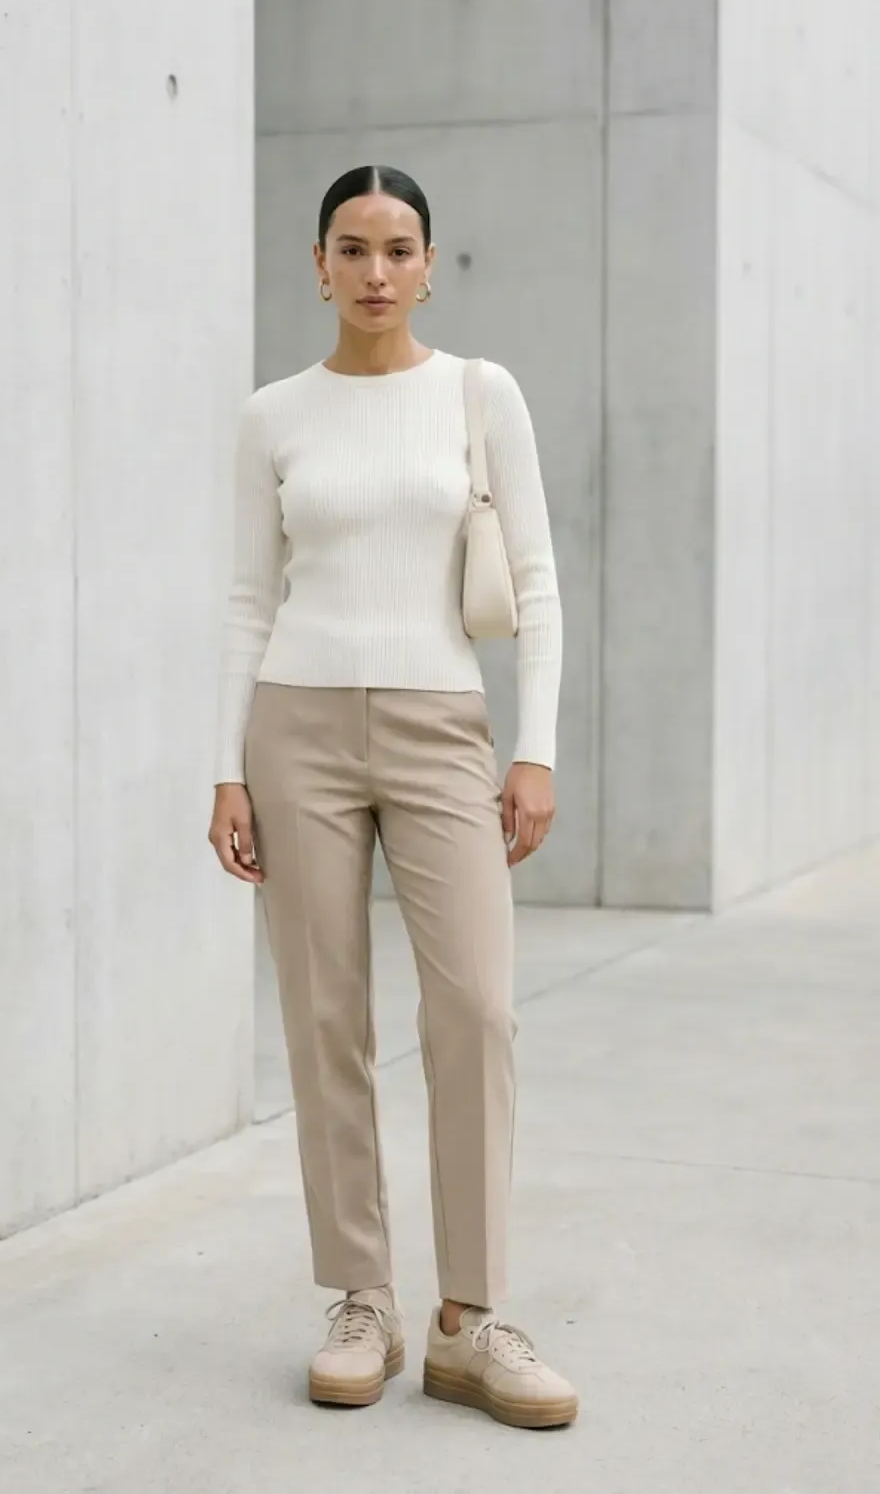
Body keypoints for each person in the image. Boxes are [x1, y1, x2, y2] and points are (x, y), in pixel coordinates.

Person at [208, 164, 577, 1430]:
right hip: (293, 726)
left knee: (474, 1008)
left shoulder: (480, 396)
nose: (375, 271)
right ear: (317, 264)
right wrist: (225, 767)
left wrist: (532, 750)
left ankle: (469, 1319)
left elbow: (531, 581)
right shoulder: (273, 415)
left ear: (429, 262)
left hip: (439, 726)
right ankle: (360, 1294)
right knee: (325, 1019)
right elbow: (247, 599)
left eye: (398, 248)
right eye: (351, 248)